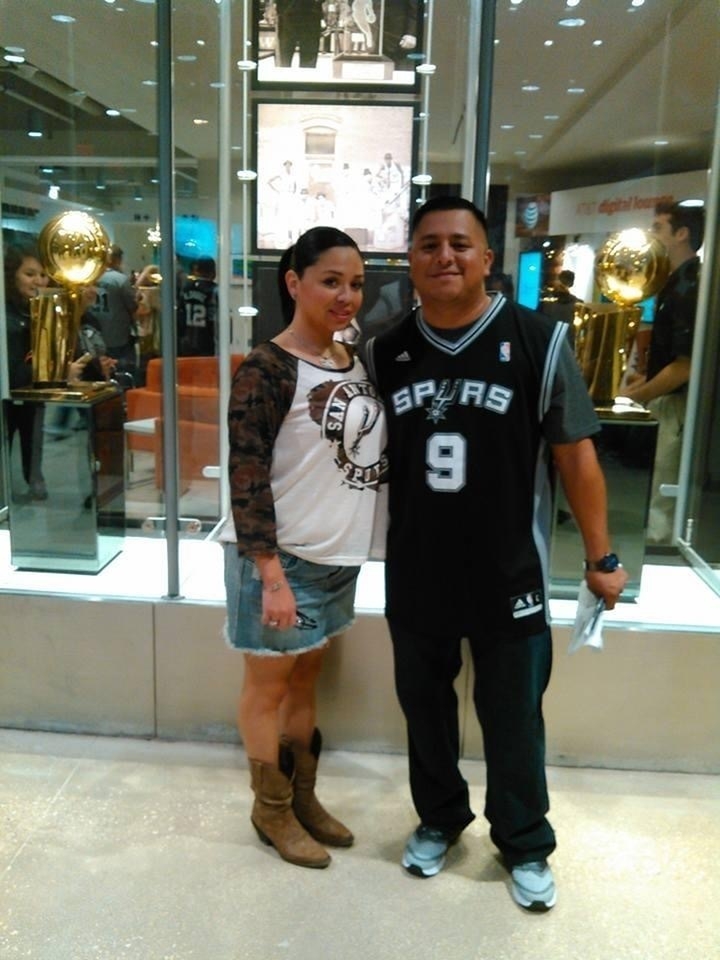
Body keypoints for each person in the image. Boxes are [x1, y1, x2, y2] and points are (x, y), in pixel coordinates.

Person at [365, 196, 628, 911]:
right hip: (417, 565)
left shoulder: (539, 340)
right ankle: (439, 818)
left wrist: (601, 558)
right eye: (428, 244)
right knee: (425, 710)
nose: (444, 256)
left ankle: (524, 840)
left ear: (487, 258)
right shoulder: (383, 351)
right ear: (410, 260)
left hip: (510, 569)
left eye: (460, 243)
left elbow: (576, 455)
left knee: (513, 717)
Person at [219, 226, 387, 869]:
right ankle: (270, 809)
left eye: (356, 284)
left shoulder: (354, 358)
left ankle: (302, 795)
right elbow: (246, 475)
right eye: (331, 282)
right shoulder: (267, 368)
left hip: (336, 558)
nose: (347, 296)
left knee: (306, 679)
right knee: (267, 687)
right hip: (282, 560)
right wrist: (270, 573)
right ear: (294, 283)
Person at [619, 201, 705, 545]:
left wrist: (636, 396)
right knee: (658, 482)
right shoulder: (675, 284)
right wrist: (643, 383)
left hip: (676, 405)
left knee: (663, 492)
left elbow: (686, 365)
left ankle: (661, 551)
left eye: (658, 228)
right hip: (668, 401)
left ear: (681, 234)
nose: (651, 234)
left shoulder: (689, 287)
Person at [3, 242, 49, 500]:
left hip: (32, 393)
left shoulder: (38, 310)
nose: (38, 281)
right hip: (8, 394)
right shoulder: (6, 315)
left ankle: (34, 479)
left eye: (42, 274)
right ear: (12, 275)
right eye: (30, 274)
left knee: (33, 438)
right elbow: (13, 370)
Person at [87, 243, 141, 385]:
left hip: (94, 336)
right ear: (117, 259)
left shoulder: (88, 277)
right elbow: (133, 306)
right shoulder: (120, 280)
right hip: (117, 336)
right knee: (122, 372)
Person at [177, 257, 218, 356]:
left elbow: (180, 314)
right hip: (207, 342)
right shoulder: (214, 290)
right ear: (213, 272)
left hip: (186, 341)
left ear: (196, 270)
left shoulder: (186, 288)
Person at [272, 0, 323, 68]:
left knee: (308, 61)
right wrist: (270, 5)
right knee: (283, 58)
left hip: (311, 12)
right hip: (286, 11)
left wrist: (331, 7)